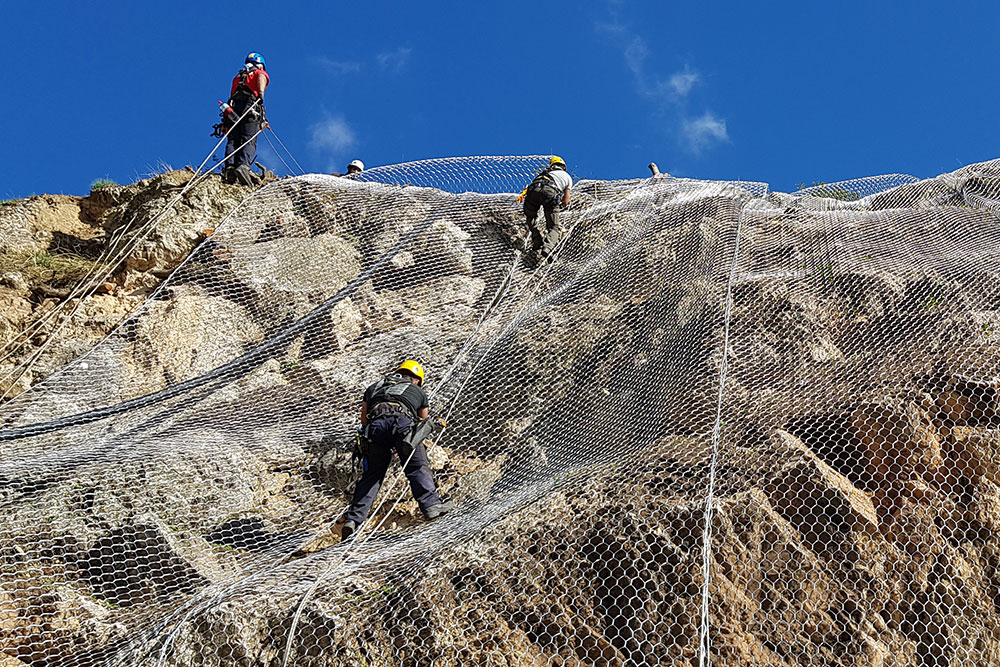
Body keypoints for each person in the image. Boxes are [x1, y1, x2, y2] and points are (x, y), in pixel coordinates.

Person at [342, 360, 454, 540]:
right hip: (402, 425)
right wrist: (400, 443)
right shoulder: (418, 391)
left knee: (373, 474)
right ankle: (431, 506)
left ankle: (353, 521)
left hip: (375, 428)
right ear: (416, 380)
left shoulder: (374, 387)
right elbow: (422, 421)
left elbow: (364, 420)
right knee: (416, 466)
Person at [222, 52, 269, 186]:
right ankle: (243, 166)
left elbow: (232, 94)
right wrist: (260, 94)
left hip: (233, 110)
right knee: (248, 139)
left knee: (233, 140)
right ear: (260, 64)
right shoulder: (259, 72)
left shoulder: (238, 77)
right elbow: (262, 77)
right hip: (249, 107)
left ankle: (230, 168)